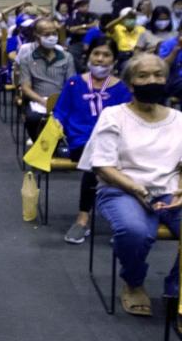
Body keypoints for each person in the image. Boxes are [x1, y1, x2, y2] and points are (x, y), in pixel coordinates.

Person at [77, 54, 182, 315]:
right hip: (122, 190)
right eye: (143, 76)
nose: (152, 80)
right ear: (130, 84)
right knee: (134, 232)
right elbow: (102, 165)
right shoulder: (114, 115)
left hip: (170, 191)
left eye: (158, 75)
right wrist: (137, 189)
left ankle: (176, 288)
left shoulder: (179, 119)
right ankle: (133, 283)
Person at [54, 38, 132, 245]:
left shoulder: (123, 88)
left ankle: (120, 219)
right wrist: (57, 125)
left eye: (106, 55)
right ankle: (85, 218)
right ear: (88, 56)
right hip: (80, 142)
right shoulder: (74, 83)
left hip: (114, 144)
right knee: (96, 160)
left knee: (106, 160)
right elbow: (60, 112)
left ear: (114, 60)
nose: (100, 59)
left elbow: (128, 119)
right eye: (97, 53)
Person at [18, 19, 75, 142]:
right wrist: (44, 102)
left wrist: (61, 100)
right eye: (46, 34)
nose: (51, 37)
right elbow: (26, 88)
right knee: (33, 118)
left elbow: (71, 83)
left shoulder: (67, 57)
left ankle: (60, 146)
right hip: (39, 100)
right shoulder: (27, 59)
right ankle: (39, 145)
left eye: (54, 33)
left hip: (62, 98)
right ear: (37, 36)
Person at [159, 23, 182, 100]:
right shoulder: (168, 44)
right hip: (172, 81)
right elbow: (162, 66)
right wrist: (175, 51)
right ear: (179, 30)